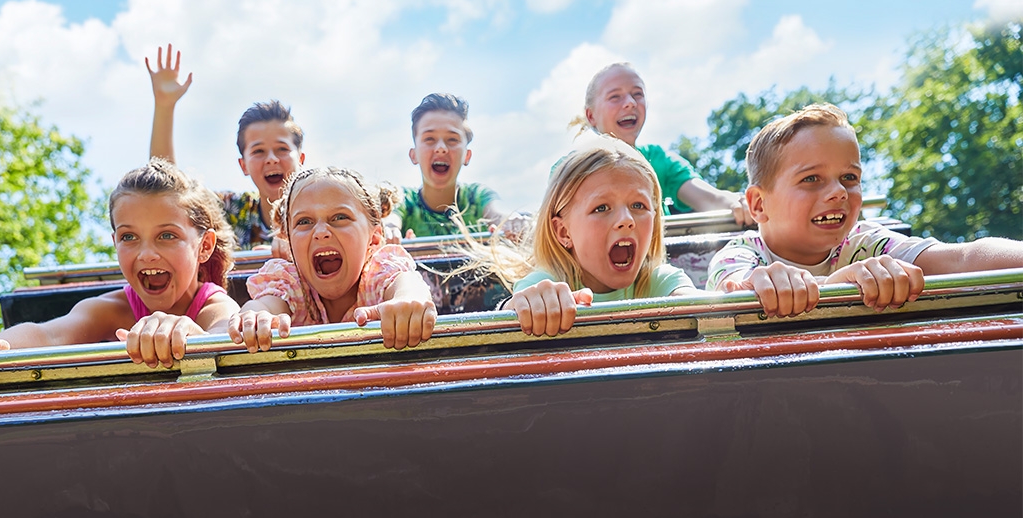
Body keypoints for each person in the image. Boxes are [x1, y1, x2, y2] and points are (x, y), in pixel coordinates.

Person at [0, 159, 242, 383]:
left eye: (167, 236)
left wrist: (188, 332)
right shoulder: (109, 309)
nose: (146, 254)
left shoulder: (213, 304)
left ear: (204, 246)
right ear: (114, 242)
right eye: (129, 237)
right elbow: (47, 335)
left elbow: (224, 332)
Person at [706, 103, 1023, 317]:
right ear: (759, 204)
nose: (839, 192)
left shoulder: (867, 243)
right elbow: (734, 289)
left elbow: (961, 259)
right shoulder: (740, 256)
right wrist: (838, 286)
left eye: (849, 177)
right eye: (811, 178)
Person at [460, 135, 698, 338]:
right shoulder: (546, 281)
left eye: (638, 205)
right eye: (602, 208)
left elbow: (698, 307)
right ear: (563, 232)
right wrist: (527, 304)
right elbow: (517, 307)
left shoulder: (661, 281)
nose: (626, 219)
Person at [224, 166, 439, 352]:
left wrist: (408, 300)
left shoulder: (377, 273)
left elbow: (407, 283)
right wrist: (255, 316)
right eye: (304, 221)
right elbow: (267, 304)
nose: (321, 232)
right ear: (290, 244)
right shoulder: (291, 284)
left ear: (373, 238)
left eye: (339, 217)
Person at [147, 44, 305, 249]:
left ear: (301, 159)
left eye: (282, 149)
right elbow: (172, 192)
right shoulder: (234, 211)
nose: (271, 159)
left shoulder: (324, 207)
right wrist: (164, 106)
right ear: (243, 165)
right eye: (258, 151)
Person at [581, 62, 754, 225]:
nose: (630, 103)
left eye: (637, 94)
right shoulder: (575, 170)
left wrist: (733, 202)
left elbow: (707, 197)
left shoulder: (658, 159)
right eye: (615, 97)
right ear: (591, 116)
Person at [384, 93, 508, 240]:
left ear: (467, 155)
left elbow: (500, 214)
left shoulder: (477, 197)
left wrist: (510, 223)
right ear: (413, 154)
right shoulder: (404, 200)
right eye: (429, 139)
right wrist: (389, 229)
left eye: (452, 139)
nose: (441, 148)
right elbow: (390, 220)